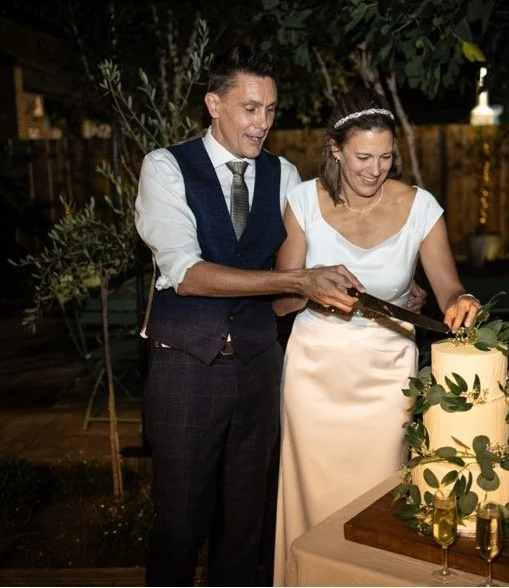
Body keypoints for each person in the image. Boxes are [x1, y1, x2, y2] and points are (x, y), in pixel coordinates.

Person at [134, 46, 365, 587]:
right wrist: (294, 281)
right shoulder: (165, 167)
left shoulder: (284, 175)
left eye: (271, 110)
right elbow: (185, 273)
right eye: (251, 108)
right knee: (180, 525)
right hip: (186, 371)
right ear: (214, 104)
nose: (263, 123)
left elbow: (322, 250)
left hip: (260, 370)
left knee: (246, 528)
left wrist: (392, 292)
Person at [271, 91, 482, 585]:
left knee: (380, 496)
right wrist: (311, 285)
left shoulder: (421, 207)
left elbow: (448, 287)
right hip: (314, 374)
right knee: (312, 499)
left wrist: (460, 302)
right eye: (363, 157)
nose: (375, 169)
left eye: (386, 158)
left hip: (388, 375)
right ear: (335, 149)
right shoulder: (301, 202)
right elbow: (279, 300)